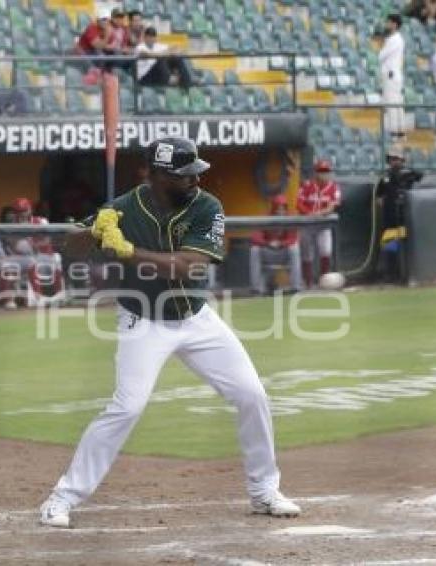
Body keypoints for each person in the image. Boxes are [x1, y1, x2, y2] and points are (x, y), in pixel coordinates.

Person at [39, 137, 301, 529]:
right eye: (184, 175)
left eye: (196, 173)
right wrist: (96, 228)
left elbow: (187, 267)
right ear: (158, 175)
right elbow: (69, 248)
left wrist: (127, 252)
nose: (194, 181)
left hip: (196, 319)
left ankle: (264, 491)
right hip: (143, 322)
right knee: (126, 407)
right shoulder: (124, 207)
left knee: (252, 395)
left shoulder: (206, 206)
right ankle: (60, 500)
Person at [376, 146, 423, 283]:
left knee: (406, 245)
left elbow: (420, 176)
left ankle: (408, 274)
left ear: (402, 160)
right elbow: (379, 196)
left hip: (405, 216)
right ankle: (390, 274)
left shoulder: (408, 173)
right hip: (389, 217)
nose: (394, 162)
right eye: (392, 159)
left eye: (397, 159)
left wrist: (407, 171)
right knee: (390, 246)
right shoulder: (385, 176)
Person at [296, 159, 341, 288]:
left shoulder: (333, 187)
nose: (324, 173)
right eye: (321, 171)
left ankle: (324, 282)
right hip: (308, 224)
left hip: (323, 224)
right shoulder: (306, 185)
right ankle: (308, 282)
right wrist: (309, 213)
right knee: (306, 253)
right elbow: (298, 203)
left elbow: (333, 206)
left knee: (326, 251)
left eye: (326, 171)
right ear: (316, 173)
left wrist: (320, 213)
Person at [249, 195, 302, 295]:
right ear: (273, 208)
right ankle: (255, 288)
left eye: (283, 208)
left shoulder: (289, 219)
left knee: (294, 248)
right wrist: (268, 243)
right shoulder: (266, 218)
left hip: (283, 253)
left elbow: (293, 239)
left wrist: (280, 243)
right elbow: (255, 237)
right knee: (254, 249)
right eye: (278, 208)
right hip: (268, 252)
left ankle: (296, 287)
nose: (280, 211)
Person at [379, 13, 406, 139]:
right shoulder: (394, 38)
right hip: (393, 76)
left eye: (389, 22)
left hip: (391, 76)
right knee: (396, 103)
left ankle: (396, 132)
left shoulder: (395, 39)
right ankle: (399, 131)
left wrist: (382, 42)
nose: (387, 24)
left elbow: (381, 56)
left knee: (393, 103)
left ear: (395, 24)